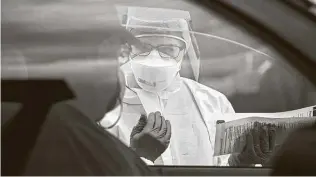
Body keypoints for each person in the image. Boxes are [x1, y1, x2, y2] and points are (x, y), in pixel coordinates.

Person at [2, 0, 171, 175]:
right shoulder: (82, 143)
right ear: (105, 51)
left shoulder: (16, 126)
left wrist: (137, 155)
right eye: (118, 53)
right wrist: (133, 159)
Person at [100, 6, 235, 166]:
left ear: (184, 51)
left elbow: (229, 168)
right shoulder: (103, 107)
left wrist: (241, 162)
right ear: (129, 49)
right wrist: (140, 156)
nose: (154, 58)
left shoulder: (213, 103)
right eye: (144, 47)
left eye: (168, 49)